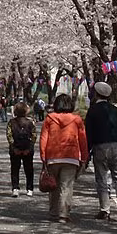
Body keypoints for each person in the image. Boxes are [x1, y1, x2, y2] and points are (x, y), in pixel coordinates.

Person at [85, 81, 117, 220]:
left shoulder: (92, 111)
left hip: (100, 147)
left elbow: (88, 132)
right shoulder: (115, 110)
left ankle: (105, 209)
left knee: (102, 178)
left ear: (96, 94)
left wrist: (87, 151)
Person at [39, 93, 88, 223]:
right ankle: (64, 214)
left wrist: (43, 156)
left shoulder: (49, 119)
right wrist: (84, 157)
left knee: (53, 186)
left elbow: (43, 139)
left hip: (52, 156)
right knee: (66, 186)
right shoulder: (77, 120)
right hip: (71, 157)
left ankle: (54, 213)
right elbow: (83, 140)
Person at [7, 102, 36, 197]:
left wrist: (14, 147)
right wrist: (29, 148)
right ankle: (30, 189)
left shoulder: (11, 122)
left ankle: (15, 188)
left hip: (15, 150)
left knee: (15, 169)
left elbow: (9, 136)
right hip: (28, 150)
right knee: (29, 169)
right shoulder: (30, 122)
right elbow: (34, 136)